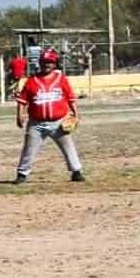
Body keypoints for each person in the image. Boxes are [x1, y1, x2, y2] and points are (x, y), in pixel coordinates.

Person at [14, 48, 84, 184]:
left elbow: (71, 98)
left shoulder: (61, 79)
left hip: (58, 122)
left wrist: (76, 114)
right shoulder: (32, 81)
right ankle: (22, 174)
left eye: (50, 62)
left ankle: (76, 172)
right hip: (36, 124)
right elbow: (22, 100)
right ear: (39, 63)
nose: (47, 64)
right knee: (29, 148)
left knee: (68, 147)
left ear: (55, 64)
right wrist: (19, 115)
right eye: (44, 62)